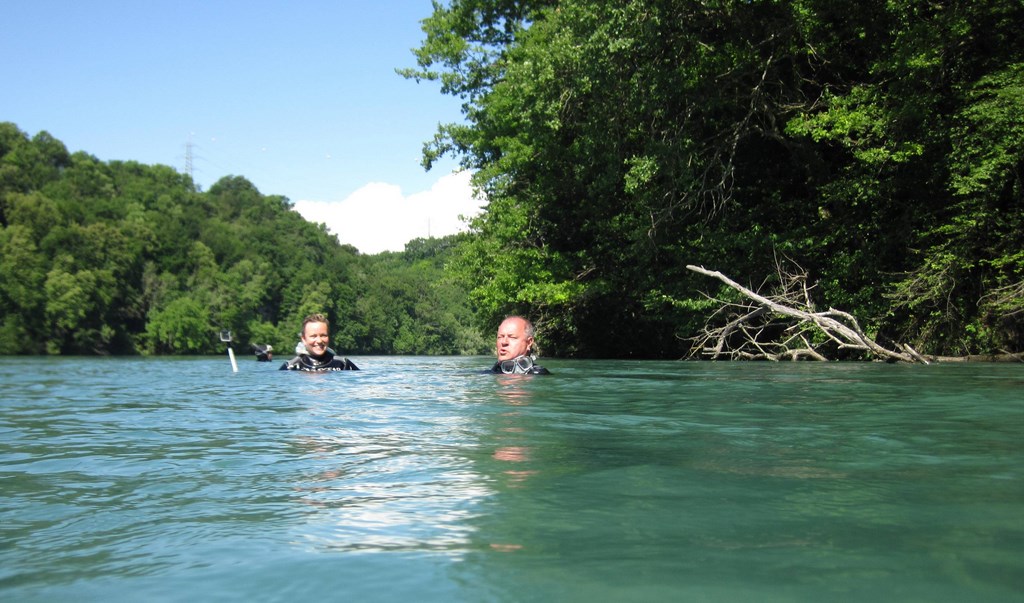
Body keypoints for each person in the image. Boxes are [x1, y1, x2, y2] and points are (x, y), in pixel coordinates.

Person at [280, 313, 359, 372]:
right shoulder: (290, 367)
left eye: (323, 335)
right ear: (303, 339)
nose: (319, 341)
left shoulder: (343, 364)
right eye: (313, 336)